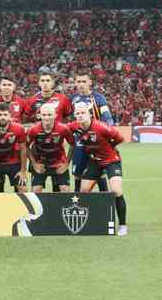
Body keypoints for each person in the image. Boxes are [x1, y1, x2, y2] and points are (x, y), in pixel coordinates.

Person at [69, 103, 128, 236]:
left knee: (116, 190)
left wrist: (109, 150)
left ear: (89, 114)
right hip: (94, 162)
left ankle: (123, 225)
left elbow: (119, 138)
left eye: (83, 113)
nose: (80, 116)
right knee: (83, 191)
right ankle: (93, 219)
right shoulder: (74, 126)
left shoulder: (101, 127)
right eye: (77, 113)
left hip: (111, 160)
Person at [70, 72, 114, 193]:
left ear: (90, 82)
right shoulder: (72, 99)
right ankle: (77, 201)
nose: (81, 84)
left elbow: (108, 118)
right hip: (79, 142)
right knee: (77, 173)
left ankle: (104, 203)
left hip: (96, 143)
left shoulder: (99, 98)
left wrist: (107, 134)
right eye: (78, 82)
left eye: (84, 81)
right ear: (75, 83)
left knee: (99, 174)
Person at [27, 104, 74, 193]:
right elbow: (25, 146)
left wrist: (66, 163)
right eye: (44, 115)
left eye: (49, 115)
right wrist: (34, 163)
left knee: (65, 191)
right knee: (36, 191)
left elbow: (72, 144)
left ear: (55, 115)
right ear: (40, 116)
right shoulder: (33, 130)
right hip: (41, 164)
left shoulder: (63, 129)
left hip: (59, 163)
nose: (46, 117)